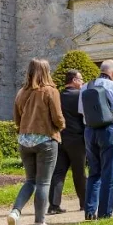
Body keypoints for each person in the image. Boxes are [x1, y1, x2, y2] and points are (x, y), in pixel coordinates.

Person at [7, 58, 66, 225]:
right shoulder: (50, 91)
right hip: (45, 139)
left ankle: (15, 212)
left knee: (30, 181)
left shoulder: (21, 93)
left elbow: (17, 120)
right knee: (43, 183)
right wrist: (61, 126)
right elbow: (57, 117)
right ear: (46, 71)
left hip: (25, 141)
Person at [78, 59, 113, 220]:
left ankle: (89, 211)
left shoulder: (85, 86)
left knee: (94, 172)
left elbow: (81, 111)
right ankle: (105, 213)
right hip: (108, 130)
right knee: (109, 173)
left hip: (89, 131)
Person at [47, 70, 86, 214]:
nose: (82, 82)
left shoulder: (58, 95)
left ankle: (54, 205)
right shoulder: (81, 95)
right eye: (81, 79)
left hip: (60, 137)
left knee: (58, 172)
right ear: (75, 80)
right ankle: (84, 203)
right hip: (77, 138)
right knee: (79, 171)